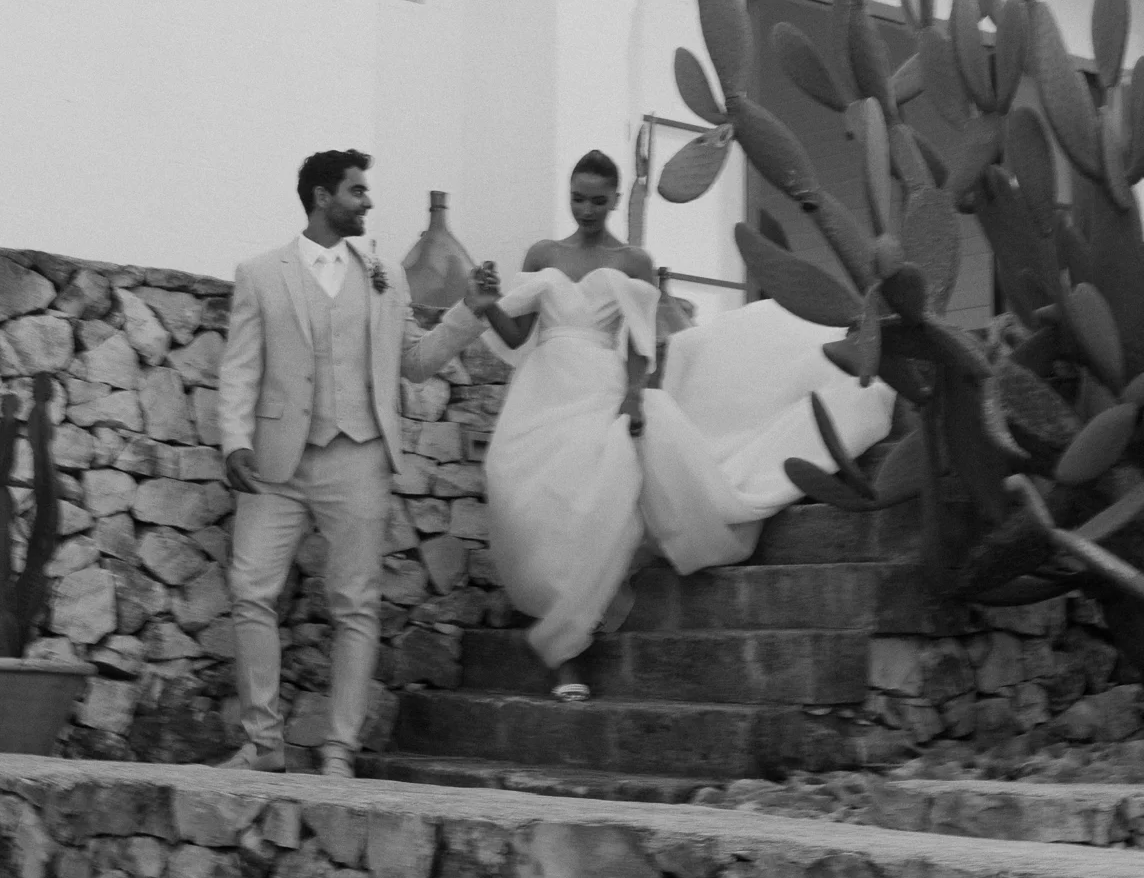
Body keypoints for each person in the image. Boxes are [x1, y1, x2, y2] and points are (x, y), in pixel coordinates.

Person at [472, 149, 893, 695]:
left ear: (616, 199)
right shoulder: (543, 253)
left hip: (599, 387)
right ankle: (560, 613)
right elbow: (515, 335)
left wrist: (631, 396)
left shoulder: (633, 262)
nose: (587, 209)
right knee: (523, 497)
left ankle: (566, 653)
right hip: (541, 389)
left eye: (598, 200)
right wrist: (486, 306)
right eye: (578, 198)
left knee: (594, 499)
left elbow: (641, 345)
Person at [218, 149, 493, 777]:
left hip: (359, 456)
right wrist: (233, 440)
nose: (368, 203)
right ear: (322, 197)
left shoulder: (383, 274)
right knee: (249, 590)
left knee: (355, 604)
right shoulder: (261, 274)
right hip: (275, 461)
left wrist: (469, 310)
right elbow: (240, 368)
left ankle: (339, 749)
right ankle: (263, 744)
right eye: (357, 191)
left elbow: (415, 362)